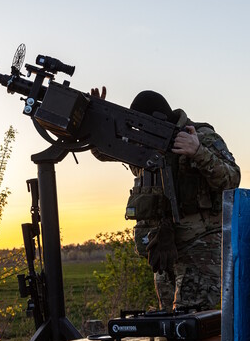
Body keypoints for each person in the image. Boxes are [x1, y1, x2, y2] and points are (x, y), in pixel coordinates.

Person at [92, 88, 241, 311]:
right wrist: (97, 118)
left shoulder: (199, 136)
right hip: (162, 248)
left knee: (193, 321)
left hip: (200, 247)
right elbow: (107, 150)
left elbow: (232, 179)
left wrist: (198, 151)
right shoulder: (147, 145)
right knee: (168, 324)